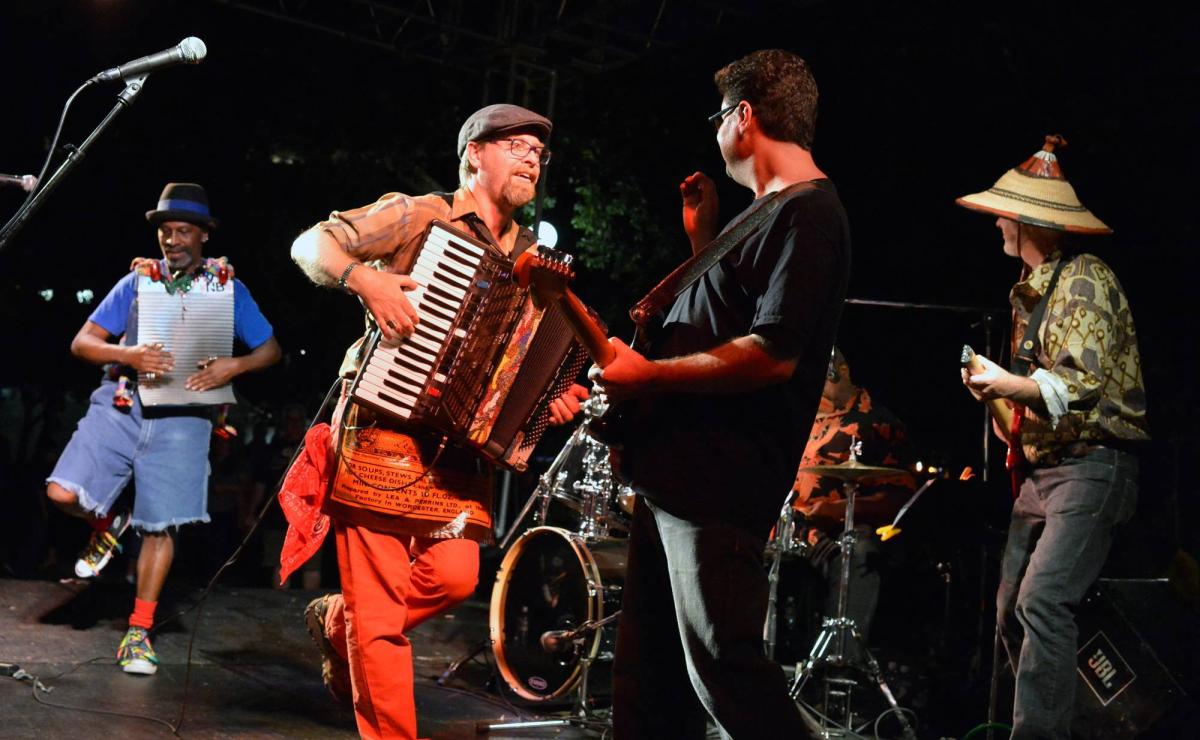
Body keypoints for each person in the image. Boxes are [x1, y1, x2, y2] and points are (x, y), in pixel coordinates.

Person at [289, 103, 588, 739]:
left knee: (456, 575)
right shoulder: (420, 213)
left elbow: (521, 365)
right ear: (475, 152)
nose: (533, 157)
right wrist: (362, 279)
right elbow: (310, 243)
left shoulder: (532, 257)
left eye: (539, 151)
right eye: (516, 145)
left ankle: (341, 622)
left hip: (457, 452)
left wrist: (550, 398)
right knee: (381, 620)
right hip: (381, 425)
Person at [589, 49, 851, 738]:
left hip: (717, 485)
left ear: (744, 117)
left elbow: (772, 353)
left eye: (718, 116)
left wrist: (647, 376)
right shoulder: (761, 213)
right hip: (673, 477)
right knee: (650, 683)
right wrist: (704, 240)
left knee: (724, 673)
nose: (714, 132)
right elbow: (723, 316)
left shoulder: (811, 215)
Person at [45, 182, 281, 675]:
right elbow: (82, 342)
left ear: (203, 236)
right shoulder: (136, 283)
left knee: (161, 524)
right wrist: (125, 354)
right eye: (165, 231)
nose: (172, 240)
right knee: (62, 493)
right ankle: (107, 525)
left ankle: (138, 631)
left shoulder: (228, 288)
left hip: (185, 417)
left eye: (183, 231)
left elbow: (269, 350)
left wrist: (231, 368)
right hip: (122, 405)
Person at [957, 135, 1149, 738]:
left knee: (1042, 600)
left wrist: (1009, 384)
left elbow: (1081, 382)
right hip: (1046, 472)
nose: (995, 223)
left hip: (1095, 468)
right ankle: (1055, 724)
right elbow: (1030, 413)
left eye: (1003, 214)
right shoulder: (1030, 296)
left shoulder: (1085, 279)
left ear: (1028, 221)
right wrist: (993, 393)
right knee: (1011, 607)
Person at [791, 347, 915, 646]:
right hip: (786, 527)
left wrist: (835, 510)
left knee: (857, 552)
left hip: (838, 532)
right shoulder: (797, 415)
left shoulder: (877, 422)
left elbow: (898, 498)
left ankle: (838, 665)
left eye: (820, 378)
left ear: (841, 371)